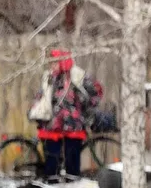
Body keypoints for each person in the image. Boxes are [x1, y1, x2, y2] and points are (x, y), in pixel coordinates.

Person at [31, 49, 103, 179]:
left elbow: (95, 92)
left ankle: (71, 182)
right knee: (52, 161)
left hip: (73, 124)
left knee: (72, 159)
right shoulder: (49, 77)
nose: (52, 66)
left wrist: (86, 108)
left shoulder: (77, 75)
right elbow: (41, 96)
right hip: (52, 124)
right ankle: (53, 184)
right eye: (51, 63)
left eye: (55, 62)